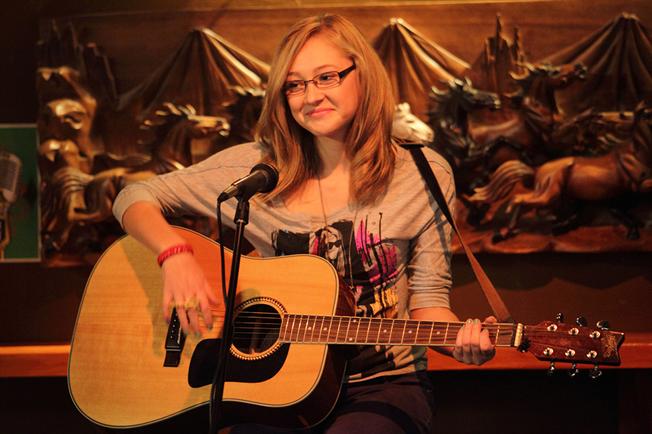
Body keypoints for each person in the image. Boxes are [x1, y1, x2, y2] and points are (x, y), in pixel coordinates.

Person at [112, 13, 496, 434]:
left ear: (363, 75)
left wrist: (463, 344)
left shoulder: (423, 172)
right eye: (294, 85)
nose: (310, 96)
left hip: (383, 386)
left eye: (326, 77)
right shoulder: (256, 168)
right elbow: (133, 197)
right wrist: (175, 255)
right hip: (273, 385)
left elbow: (428, 302)